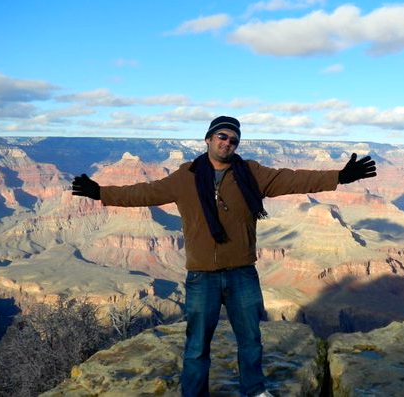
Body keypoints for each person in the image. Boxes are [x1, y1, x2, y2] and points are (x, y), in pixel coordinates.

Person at [72, 116, 377, 397]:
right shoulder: (185, 176)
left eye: (234, 140)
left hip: (242, 272)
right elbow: (143, 193)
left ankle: (255, 390)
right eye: (222, 136)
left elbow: (294, 178)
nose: (227, 143)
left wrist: (339, 176)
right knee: (196, 346)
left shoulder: (252, 173)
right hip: (202, 274)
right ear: (208, 139)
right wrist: (100, 192)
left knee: (250, 339)